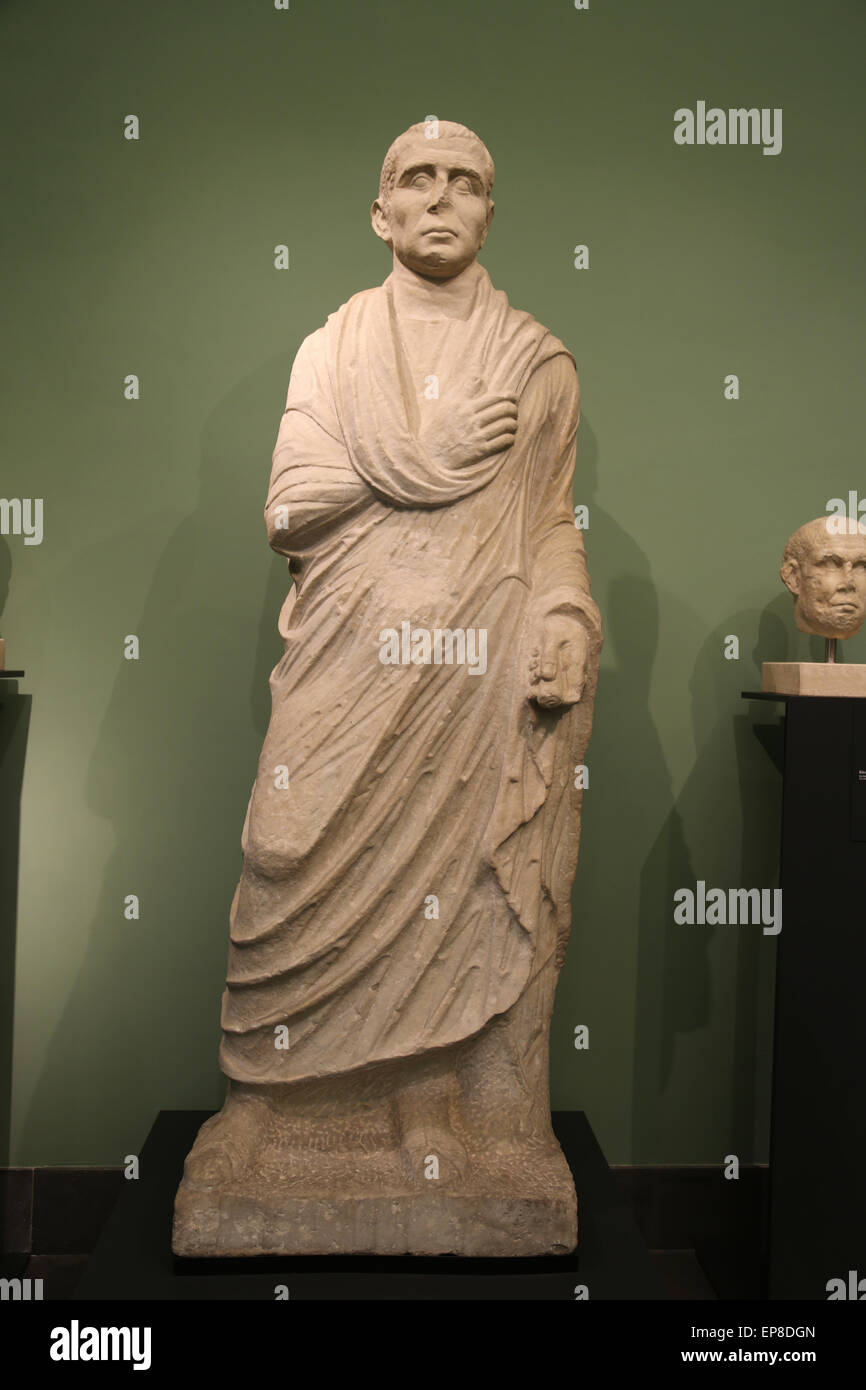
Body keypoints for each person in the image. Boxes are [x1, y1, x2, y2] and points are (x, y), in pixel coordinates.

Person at [174, 121, 602, 1255]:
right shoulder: (334, 348)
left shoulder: (535, 364)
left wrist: (562, 616)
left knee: (449, 891)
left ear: (488, 212)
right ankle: (262, 1109)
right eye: (416, 179)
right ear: (380, 212)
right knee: (288, 853)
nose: (439, 198)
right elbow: (287, 509)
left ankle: (427, 1102)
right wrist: (420, 450)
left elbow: (549, 523)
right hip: (348, 658)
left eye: (465, 183)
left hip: (474, 673)